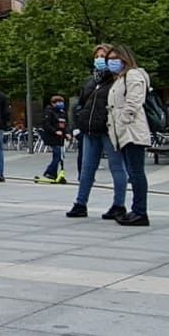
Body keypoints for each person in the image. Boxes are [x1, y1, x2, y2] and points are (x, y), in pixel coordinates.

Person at [67, 44, 127, 220]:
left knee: (116, 167)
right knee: (86, 169)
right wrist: (78, 123)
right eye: (97, 56)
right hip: (89, 130)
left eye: (104, 56)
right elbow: (81, 103)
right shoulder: (91, 81)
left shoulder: (117, 81)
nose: (100, 59)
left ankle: (119, 205)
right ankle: (80, 203)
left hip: (109, 130)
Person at [107, 45, 152, 226]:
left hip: (131, 131)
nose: (111, 62)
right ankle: (136, 210)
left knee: (136, 172)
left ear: (125, 59)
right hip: (123, 132)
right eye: (109, 59)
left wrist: (124, 119)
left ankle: (140, 212)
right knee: (133, 173)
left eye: (115, 58)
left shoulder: (133, 75)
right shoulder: (119, 79)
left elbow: (134, 101)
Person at [37, 95, 68, 184]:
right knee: (58, 155)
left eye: (61, 102)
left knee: (59, 156)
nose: (60, 104)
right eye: (58, 102)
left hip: (60, 138)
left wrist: (67, 133)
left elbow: (65, 124)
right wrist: (55, 131)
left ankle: (54, 174)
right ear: (53, 103)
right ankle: (49, 172)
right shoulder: (49, 112)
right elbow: (46, 124)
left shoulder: (62, 112)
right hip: (51, 137)